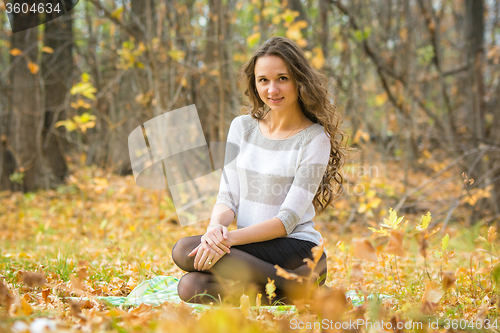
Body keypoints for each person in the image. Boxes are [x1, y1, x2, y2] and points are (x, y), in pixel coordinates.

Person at [171, 36, 346, 305]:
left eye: (282, 78)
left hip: (298, 252)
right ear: (254, 83)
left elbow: (285, 221)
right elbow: (227, 197)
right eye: (263, 80)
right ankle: (296, 291)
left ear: (299, 80)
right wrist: (214, 230)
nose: (272, 89)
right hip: (251, 252)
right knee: (191, 285)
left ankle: (294, 283)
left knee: (185, 249)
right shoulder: (242, 128)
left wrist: (226, 241)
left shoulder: (314, 139)